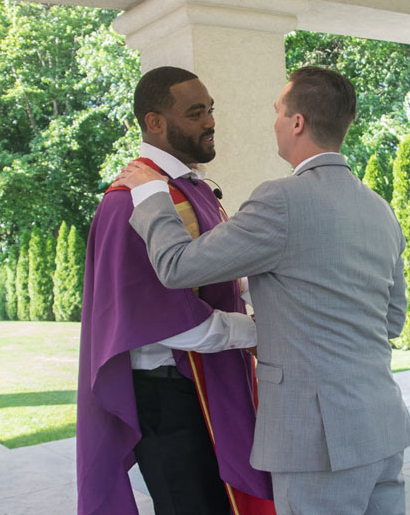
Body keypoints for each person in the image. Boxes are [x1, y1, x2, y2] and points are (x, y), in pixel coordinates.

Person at [115, 66, 410, 515]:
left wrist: (151, 196)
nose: (274, 121)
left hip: (317, 440)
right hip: (383, 425)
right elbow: (390, 320)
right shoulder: (379, 208)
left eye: (278, 111)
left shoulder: (280, 200)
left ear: (297, 123)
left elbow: (177, 266)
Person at [76, 66, 275, 515]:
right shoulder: (130, 199)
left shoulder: (193, 189)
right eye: (195, 112)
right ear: (155, 122)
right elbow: (156, 317)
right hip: (170, 401)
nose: (209, 122)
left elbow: (221, 277)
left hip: (211, 381)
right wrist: (256, 331)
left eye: (210, 110)